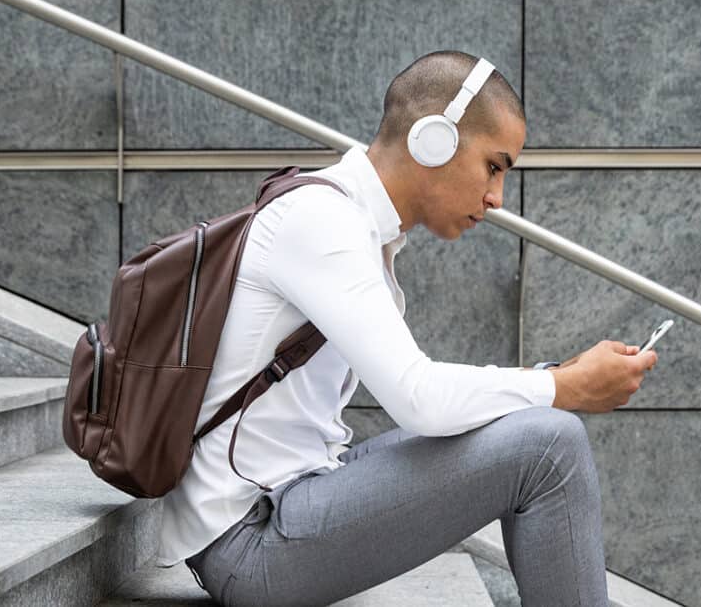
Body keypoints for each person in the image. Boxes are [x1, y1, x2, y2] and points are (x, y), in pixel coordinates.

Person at [157, 50, 658, 606]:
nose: (496, 198)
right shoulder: (324, 221)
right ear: (433, 140)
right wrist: (567, 388)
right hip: (250, 540)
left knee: (534, 420)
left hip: (293, 492)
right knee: (549, 444)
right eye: (494, 166)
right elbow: (419, 399)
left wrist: (549, 384)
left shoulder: (349, 221)